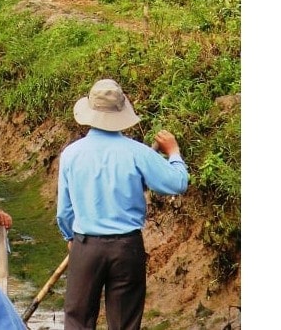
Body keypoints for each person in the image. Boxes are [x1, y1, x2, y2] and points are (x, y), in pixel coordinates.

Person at [56, 79, 189, 330]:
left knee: (78, 320)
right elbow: (178, 182)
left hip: (86, 246)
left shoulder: (72, 154)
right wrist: (173, 152)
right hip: (127, 248)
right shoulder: (137, 152)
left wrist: (70, 238)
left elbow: (64, 211)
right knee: (125, 322)